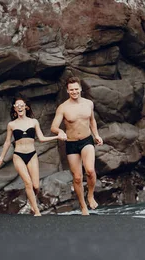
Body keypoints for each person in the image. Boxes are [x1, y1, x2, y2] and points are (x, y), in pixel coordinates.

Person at [0, 96, 66, 216]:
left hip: (32, 155)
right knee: (27, 182)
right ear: (14, 108)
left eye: (22, 105)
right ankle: (36, 210)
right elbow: (7, 142)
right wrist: (1, 158)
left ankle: (30, 199)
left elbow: (41, 138)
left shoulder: (34, 122)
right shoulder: (11, 125)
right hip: (18, 156)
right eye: (17, 105)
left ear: (26, 107)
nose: (20, 107)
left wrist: (57, 136)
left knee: (36, 186)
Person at [51, 76, 103, 216]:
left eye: (76, 89)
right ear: (68, 91)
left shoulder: (88, 104)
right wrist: (60, 131)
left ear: (80, 89)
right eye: (71, 90)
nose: (74, 92)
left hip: (87, 140)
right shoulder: (63, 108)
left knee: (90, 171)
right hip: (72, 143)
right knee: (77, 177)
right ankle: (83, 206)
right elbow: (54, 127)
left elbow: (92, 120)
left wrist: (96, 135)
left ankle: (90, 195)